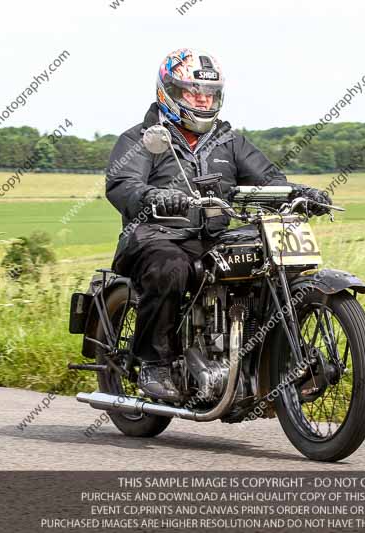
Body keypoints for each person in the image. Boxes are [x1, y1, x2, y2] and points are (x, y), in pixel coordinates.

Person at [105, 48, 331, 402]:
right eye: (194, 92)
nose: (203, 100)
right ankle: (153, 363)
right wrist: (152, 197)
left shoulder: (229, 140)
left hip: (211, 237)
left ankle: (272, 359)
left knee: (269, 259)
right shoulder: (143, 138)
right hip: (155, 236)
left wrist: (300, 192)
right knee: (171, 268)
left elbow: (268, 178)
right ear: (171, 92)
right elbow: (123, 184)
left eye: (209, 94)